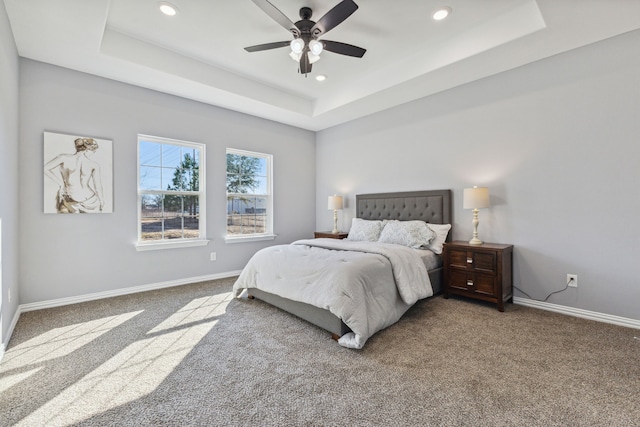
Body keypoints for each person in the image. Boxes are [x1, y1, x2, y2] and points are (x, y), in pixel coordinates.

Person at [44, 137, 105, 213]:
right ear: (87, 149)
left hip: (71, 200)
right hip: (90, 201)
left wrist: (61, 184)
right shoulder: (93, 165)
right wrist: (101, 200)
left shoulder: (63, 158)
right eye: (94, 150)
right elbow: (98, 186)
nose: (94, 153)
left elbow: (45, 168)